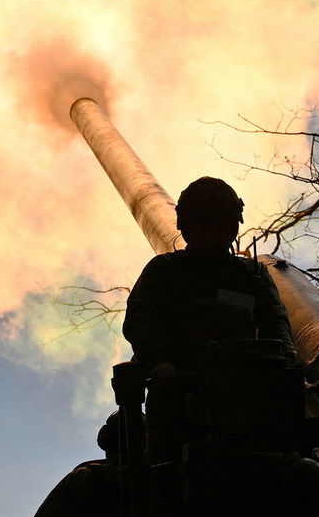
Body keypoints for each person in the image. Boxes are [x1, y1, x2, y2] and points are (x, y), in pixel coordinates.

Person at [123, 177, 295, 459]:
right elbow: (141, 320)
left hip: (246, 396)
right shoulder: (164, 272)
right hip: (177, 396)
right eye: (206, 224)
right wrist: (160, 362)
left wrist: (286, 365)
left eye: (221, 224)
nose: (214, 232)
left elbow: (275, 323)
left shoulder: (251, 276)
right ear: (188, 227)